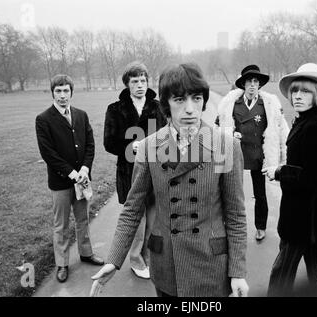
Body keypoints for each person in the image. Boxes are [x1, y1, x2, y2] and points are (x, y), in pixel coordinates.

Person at [91, 63, 248, 297]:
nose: (190, 109)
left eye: (196, 98)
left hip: (211, 265)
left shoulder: (225, 145)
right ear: (165, 104)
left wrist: (238, 272)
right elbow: (132, 209)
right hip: (167, 264)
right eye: (179, 100)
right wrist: (114, 260)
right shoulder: (148, 147)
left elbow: (235, 214)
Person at [262, 63, 317, 296]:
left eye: (305, 91)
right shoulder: (309, 120)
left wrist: (279, 172)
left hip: (303, 216)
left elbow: (315, 178)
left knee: (281, 273)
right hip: (312, 214)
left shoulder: (315, 126)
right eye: (295, 91)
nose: (297, 96)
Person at [35, 74, 104, 283]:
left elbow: (90, 145)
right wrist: (71, 173)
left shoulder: (81, 115)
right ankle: (62, 263)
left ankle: (86, 253)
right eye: (58, 91)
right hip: (61, 183)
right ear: (53, 93)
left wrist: (84, 168)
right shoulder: (43, 119)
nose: (63, 95)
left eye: (66, 91)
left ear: (71, 92)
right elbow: (48, 153)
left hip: (82, 179)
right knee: (61, 224)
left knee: (83, 219)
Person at [103, 61, 166, 279]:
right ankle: (135, 260)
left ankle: (149, 258)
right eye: (134, 81)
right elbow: (109, 142)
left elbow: (168, 135)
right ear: (127, 84)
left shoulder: (158, 107)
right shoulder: (115, 109)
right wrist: (131, 147)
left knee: (154, 218)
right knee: (136, 219)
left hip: (156, 170)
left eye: (143, 80)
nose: (140, 85)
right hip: (129, 172)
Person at [216, 65, 289, 241]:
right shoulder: (231, 103)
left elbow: (280, 129)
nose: (252, 85)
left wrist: (284, 153)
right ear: (243, 84)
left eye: (256, 82)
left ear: (259, 85)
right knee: (233, 193)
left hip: (258, 156)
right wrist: (231, 134)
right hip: (238, 154)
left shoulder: (268, 104)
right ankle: (232, 227)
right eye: (249, 81)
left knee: (260, 194)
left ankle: (261, 226)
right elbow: (219, 126)